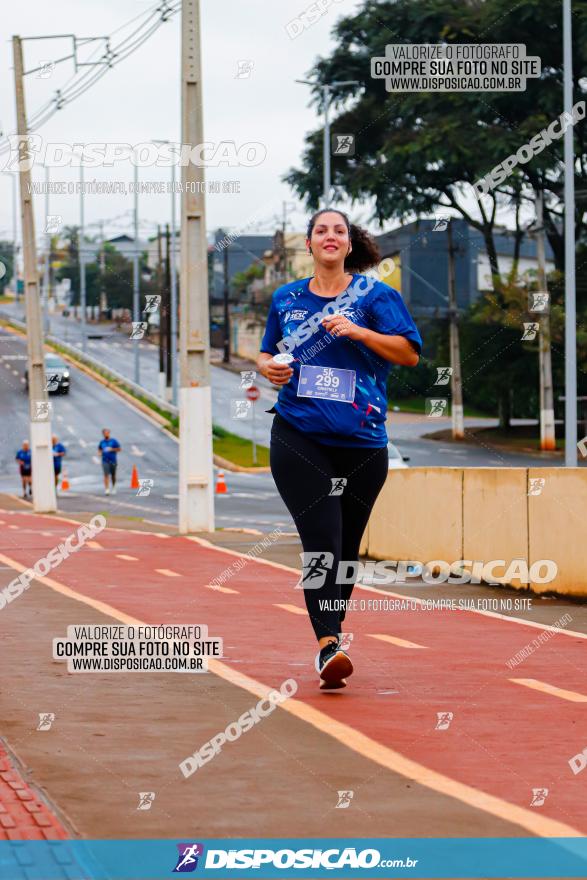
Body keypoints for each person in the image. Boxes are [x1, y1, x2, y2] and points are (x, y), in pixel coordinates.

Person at [257, 209, 422, 691]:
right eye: (321, 230)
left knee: (346, 550)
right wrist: (268, 368)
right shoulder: (286, 298)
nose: (330, 236)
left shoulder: (376, 297)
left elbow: (409, 353)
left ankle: (333, 637)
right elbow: (268, 351)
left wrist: (359, 333)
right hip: (298, 433)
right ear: (308, 244)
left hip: (364, 441)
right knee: (323, 540)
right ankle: (329, 643)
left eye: (339, 231)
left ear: (350, 244)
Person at [98, 428, 121, 495]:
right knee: (106, 475)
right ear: (103, 434)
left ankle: (113, 487)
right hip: (105, 460)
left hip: (113, 460)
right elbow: (99, 449)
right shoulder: (102, 442)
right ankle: (107, 489)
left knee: (113, 475)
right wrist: (99, 453)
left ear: (109, 433)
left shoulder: (113, 441)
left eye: (107, 433)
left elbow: (119, 449)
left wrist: (112, 449)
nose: (106, 434)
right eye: (104, 433)